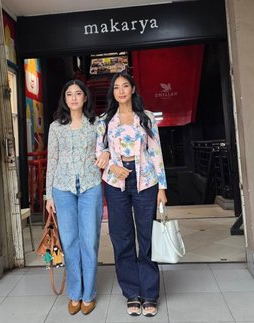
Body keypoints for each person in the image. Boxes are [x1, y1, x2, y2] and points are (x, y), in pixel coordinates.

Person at [96, 71, 167, 317]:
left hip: (145, 180)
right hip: (116, 182)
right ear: (112, 93)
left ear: (133, 89)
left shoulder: (146, 118)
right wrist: (111, 164)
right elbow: (98, 152)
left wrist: (162, 187)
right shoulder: (104, 120)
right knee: (121, 236)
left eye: (126, 86)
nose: (121, 91)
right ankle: (131, 292)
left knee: (147, 235)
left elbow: (156, 152)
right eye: (117, 87)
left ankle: (150, 292)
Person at [45, 79, 106, 315]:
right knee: (70, 242)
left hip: (90, 186)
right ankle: (75, 293)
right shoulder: (55, 127)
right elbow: (53, 161)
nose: (73, 97)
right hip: (62, 188)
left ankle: (88, 294)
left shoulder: (96, 124)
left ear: (85, 97)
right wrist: (48, 194)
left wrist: (108, 153)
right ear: (65, 98)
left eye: (78, 93)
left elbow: (106, 148)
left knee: (89, 241)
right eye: (69, 94)